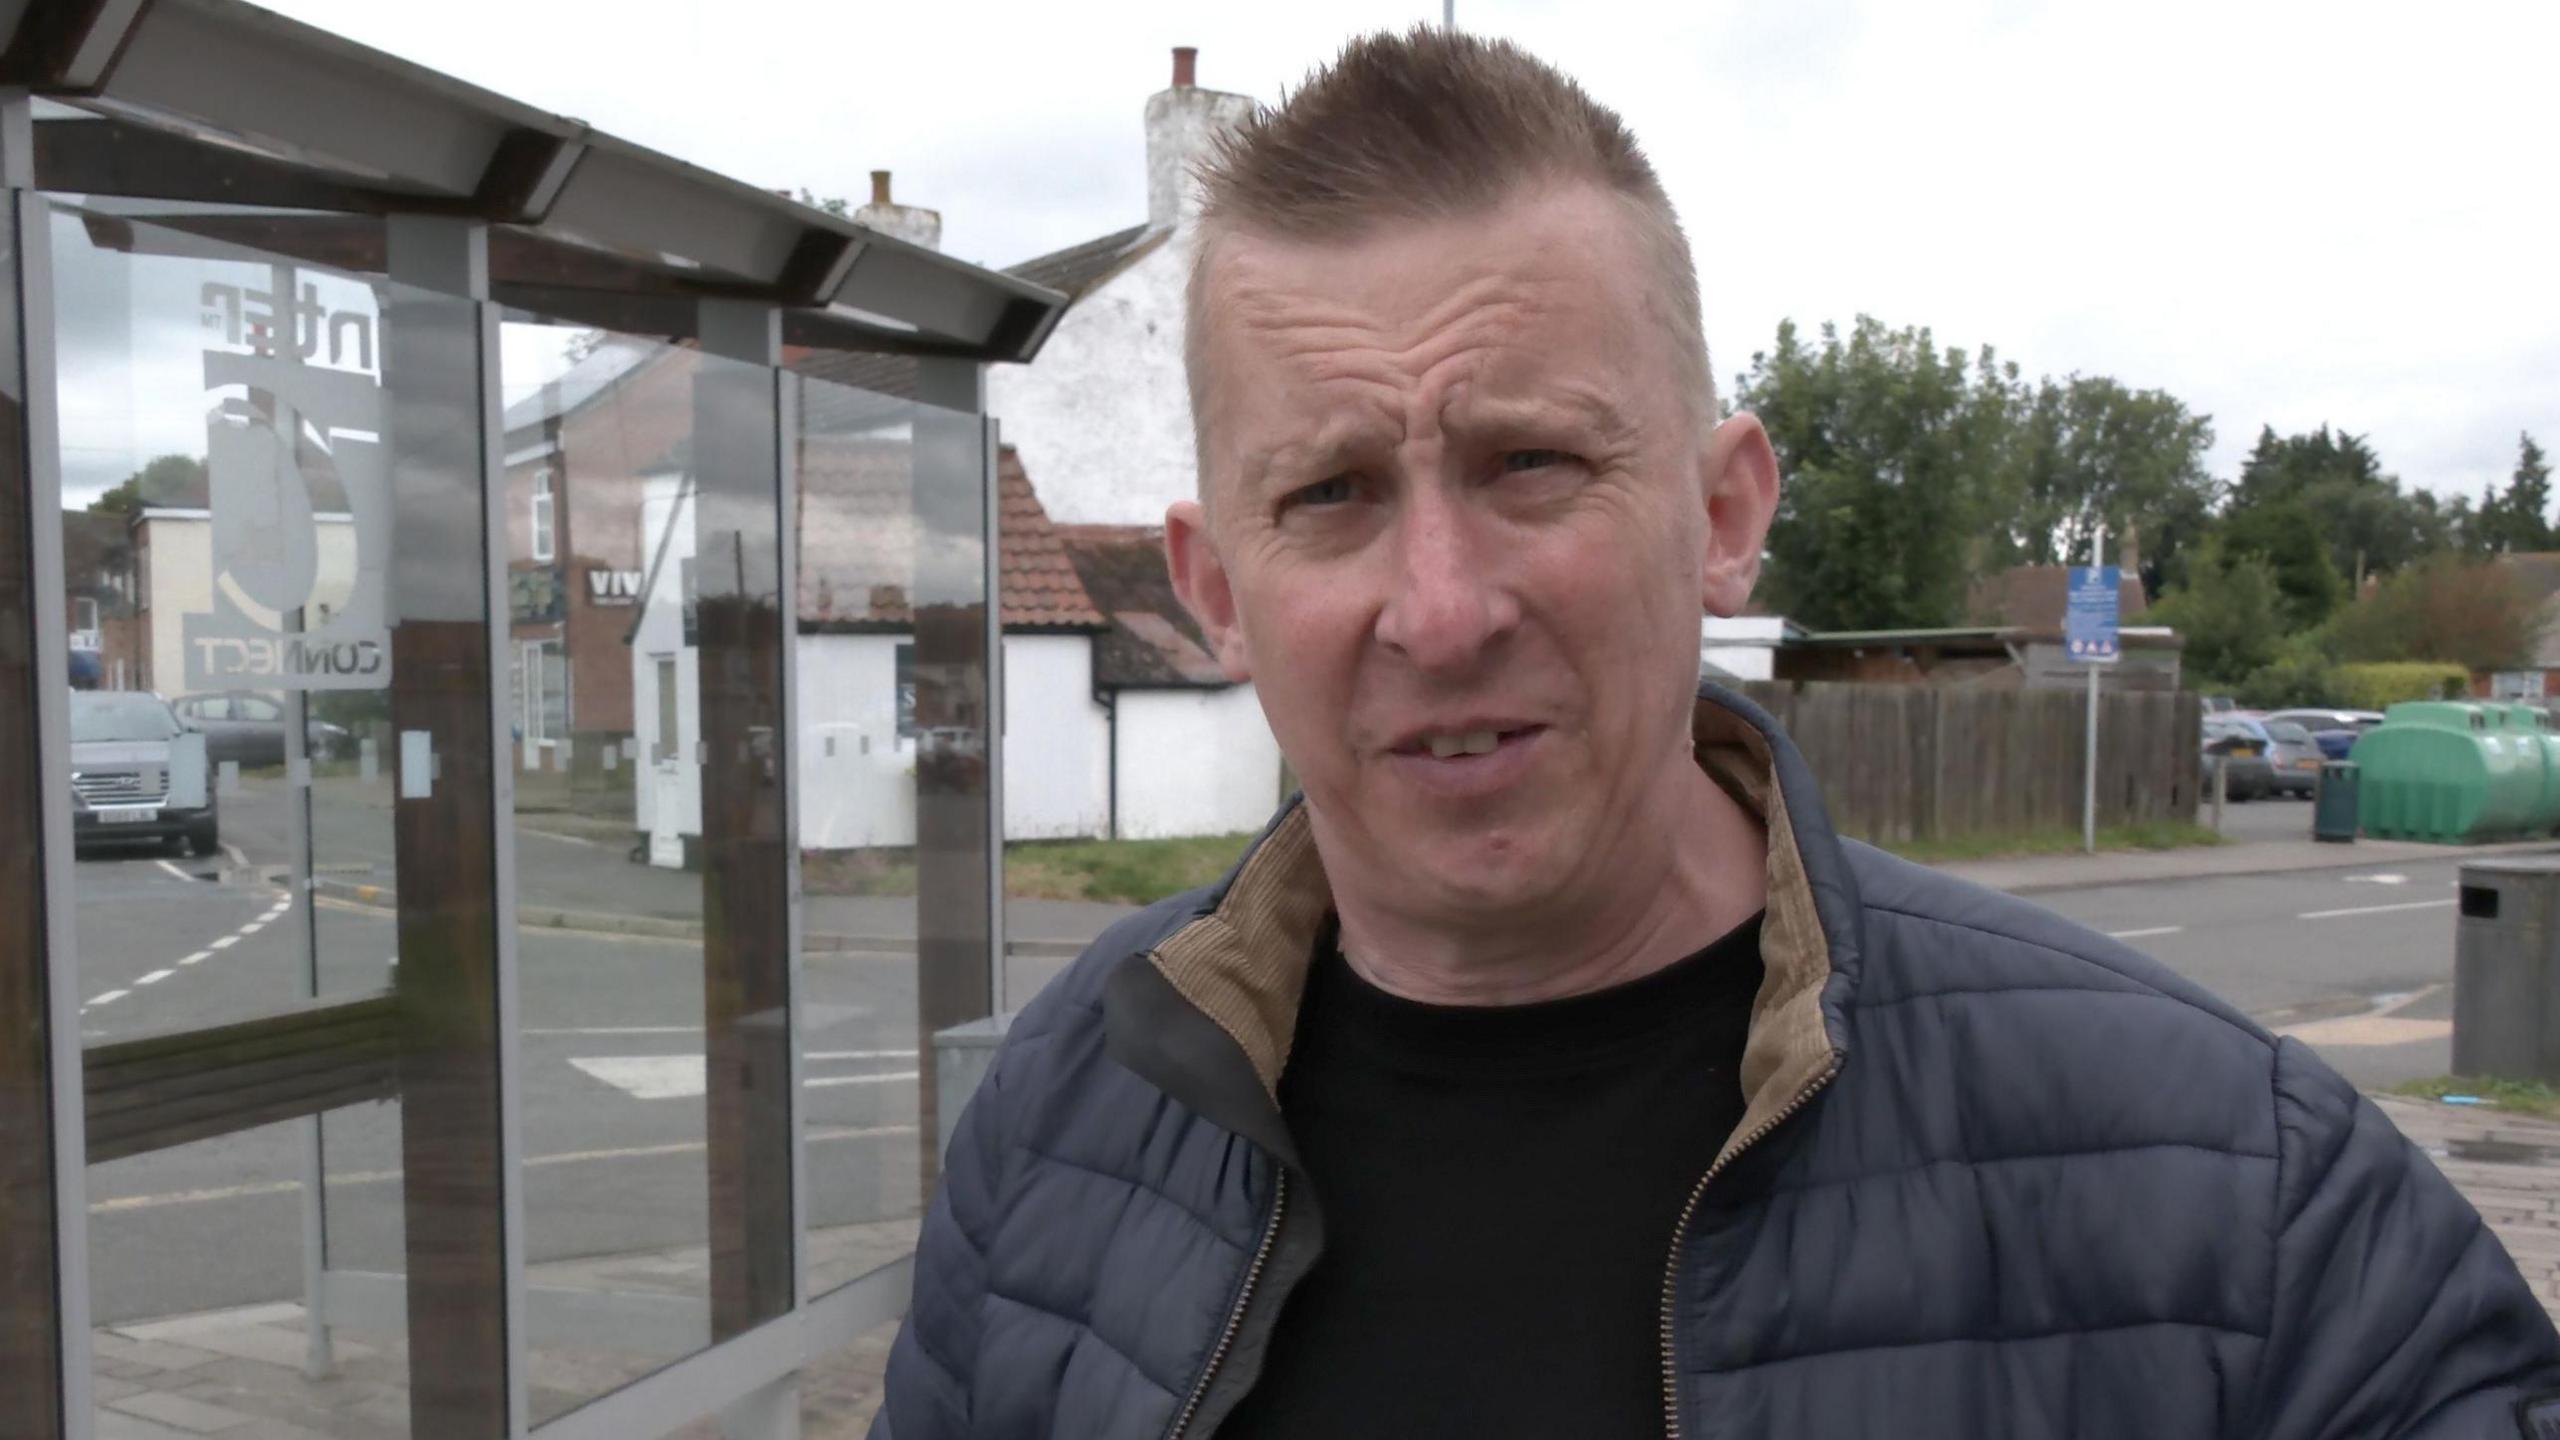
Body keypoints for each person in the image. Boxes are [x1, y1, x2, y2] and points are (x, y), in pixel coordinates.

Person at [874, 28, 2559, 1439]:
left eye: (1531, 463)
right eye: (1330, 493)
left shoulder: (2233, 1199)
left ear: (1723, 512)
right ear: (1215, 588)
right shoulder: (1068, 1112)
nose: (1442, 608)